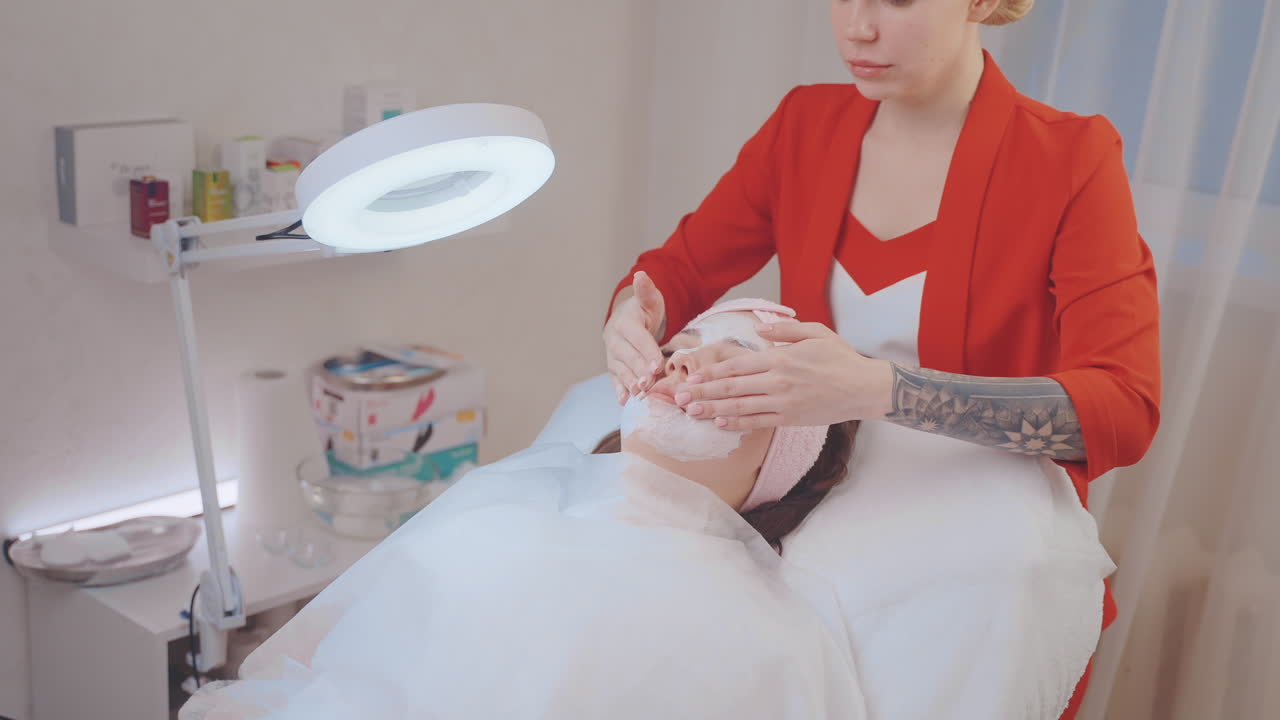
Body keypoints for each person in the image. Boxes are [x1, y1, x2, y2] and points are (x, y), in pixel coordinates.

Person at [602, 1, 1161, 718]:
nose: (857, 29)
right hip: (812, 491)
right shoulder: (805, 126)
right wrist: (634, 310)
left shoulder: (1067, 159)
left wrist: (881, 389)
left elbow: (1122, 409)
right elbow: (676, 273)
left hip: (977, 521)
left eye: (896, 0)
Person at [179, 301, 867, 720]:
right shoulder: (504, 503)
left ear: (786, 454)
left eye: (732, 365)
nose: (681, 364)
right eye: (678, 347)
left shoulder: (759, 641)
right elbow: (308, 664)